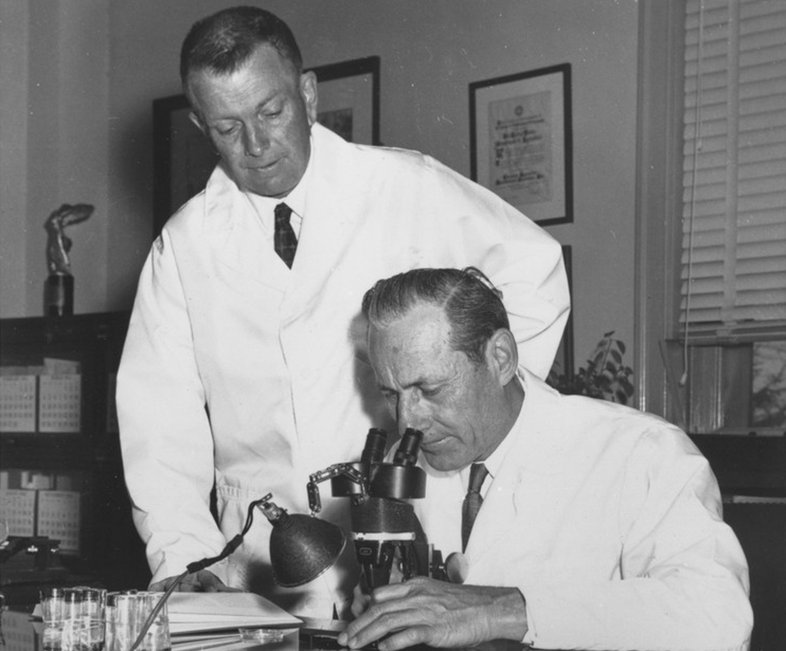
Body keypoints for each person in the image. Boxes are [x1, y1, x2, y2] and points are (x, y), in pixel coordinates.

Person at [116, 7, 569, 617]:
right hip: (257, 565)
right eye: (227, 127)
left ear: (307, 93)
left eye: (271, 113)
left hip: (416, 528)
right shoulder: (183, 246)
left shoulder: (407, 187)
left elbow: (535, 274)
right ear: (200, 124)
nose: (256, 145)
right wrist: (184, 561)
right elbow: (158, 427)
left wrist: (474, 420)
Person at [339, 267, 753, 651]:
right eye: (392, 394)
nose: (408, 420)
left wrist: (506, 609)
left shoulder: (643, 452)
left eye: (429, 389)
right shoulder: (405, 461)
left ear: (500, 358)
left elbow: (717, 616)